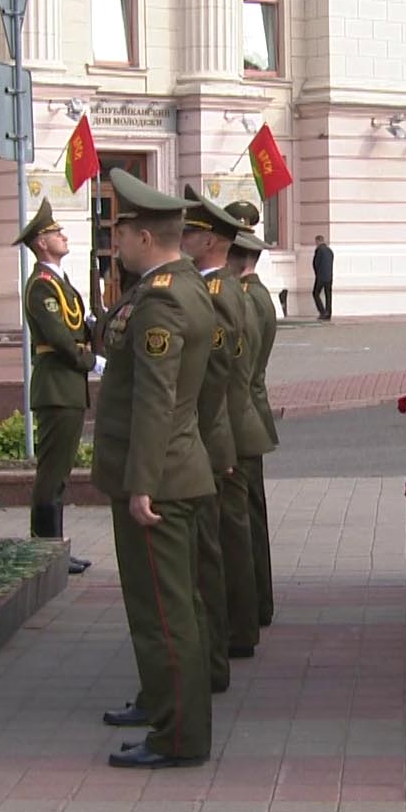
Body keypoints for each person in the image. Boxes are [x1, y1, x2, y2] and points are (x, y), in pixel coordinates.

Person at [92, 168, 217, 769]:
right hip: (176, 468)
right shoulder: (178, 286)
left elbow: (156, 397)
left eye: (121, 235)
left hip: (158, 479)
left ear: (145, 238)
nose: (115, 245)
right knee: (176, 607)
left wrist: (142, 481)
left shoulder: (164, 297)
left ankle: (178, 737)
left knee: (163, 614)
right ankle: (172, 717)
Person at [180, 188, 262, 687]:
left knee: (220, 542)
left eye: (189, 232)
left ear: (210, 241)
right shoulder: (218, 288)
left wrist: (214, 439)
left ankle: (232, 633)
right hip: (221, 432)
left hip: (218, 434)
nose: (183, 238)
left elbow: (218, 375)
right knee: (225, 538)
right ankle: (235, 630)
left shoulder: (219, 292)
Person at [13, 199, 96, 575]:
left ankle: (55, 552)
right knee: (51, 474)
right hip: (57, 388)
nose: (63, 236)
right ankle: (44, 556)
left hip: (69, 388)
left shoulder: (59, 282)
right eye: (56, 232)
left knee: (60, 474)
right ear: (42, 243)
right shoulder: (40, 286)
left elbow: (80, 325)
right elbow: (60, 338)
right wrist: (91, 361)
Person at [226, 201, 280, 627]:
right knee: (251, 516)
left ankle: (250, 608)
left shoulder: (244, 299)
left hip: (241, 417)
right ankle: (259, 603)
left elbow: (237, 375)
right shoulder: (256, 293)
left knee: (241, 520)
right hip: (252, 415)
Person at [311, 234, 335, 320]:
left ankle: (322, 311)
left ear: (318, 241)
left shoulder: (319, 250)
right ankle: (328, 312)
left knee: (315, 293)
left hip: (321, 276)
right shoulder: (330, 251)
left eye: (316, 242)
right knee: (328, 295)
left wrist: (317, 274)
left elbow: (316, 263)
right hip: (329, 276)